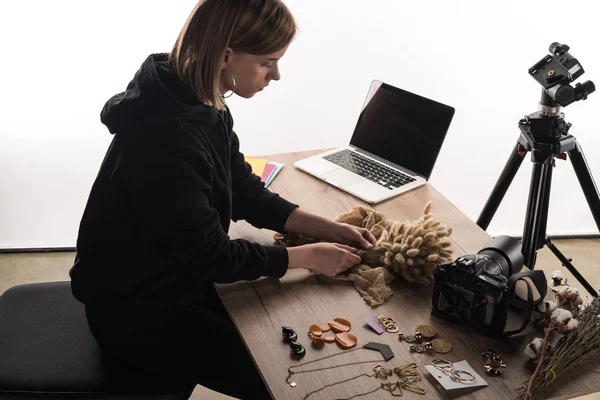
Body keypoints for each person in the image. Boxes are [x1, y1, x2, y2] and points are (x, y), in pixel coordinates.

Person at [69, 0, 377, 398]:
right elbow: (213, 257)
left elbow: (243, 190)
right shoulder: (169, 140)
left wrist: (327, 228)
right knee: (287, 382)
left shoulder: (196, 98)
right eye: (268, 62)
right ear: (226, 55)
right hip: (137, 313)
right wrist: (309, 257)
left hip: (170, 281)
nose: (277, 75)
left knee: (284, 334)